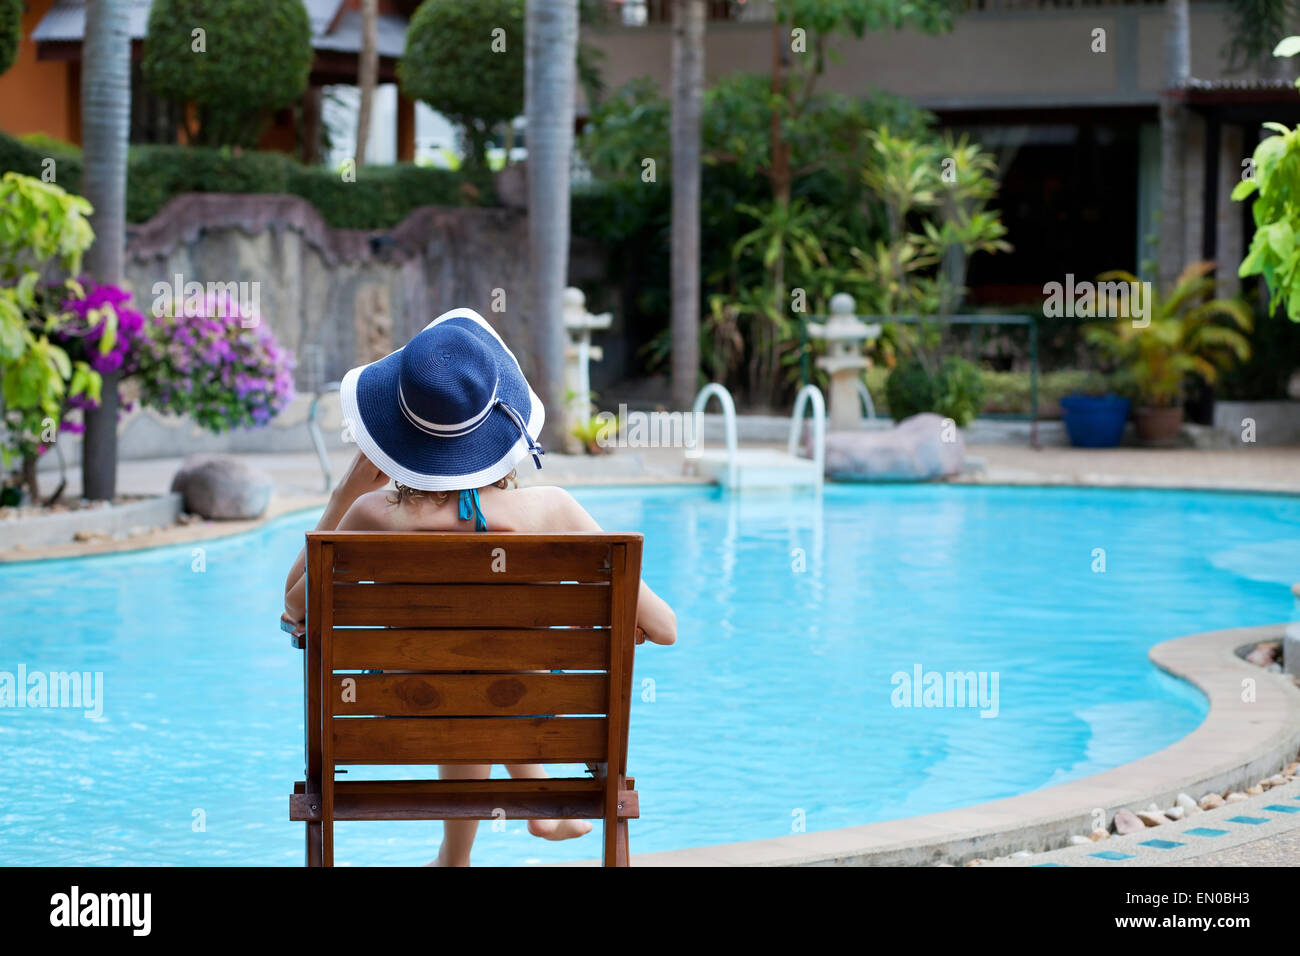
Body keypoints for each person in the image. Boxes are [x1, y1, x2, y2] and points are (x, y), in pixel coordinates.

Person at [280, 307, 676, 866]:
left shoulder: (371, 517)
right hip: (525, 705)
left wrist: (345, 491)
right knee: (487, 668)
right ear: (499, 431)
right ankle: (530, 807)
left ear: (396, 437)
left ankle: (454, 859)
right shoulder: (554, 509)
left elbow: (295, 604)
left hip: (407, 712)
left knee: (457, 670)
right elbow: (666, 629)